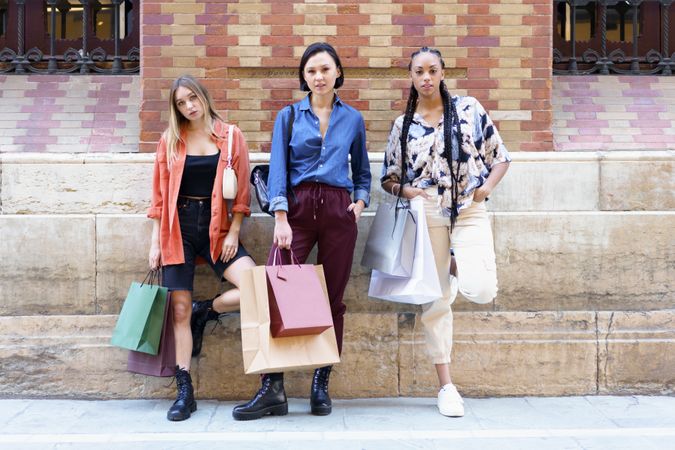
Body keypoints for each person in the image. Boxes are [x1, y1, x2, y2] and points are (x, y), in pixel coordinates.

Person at [232, 42, 371, 421]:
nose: (318, 77)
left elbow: (361, 171)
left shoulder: (353, 120)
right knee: (277, 291)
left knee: (333, 300)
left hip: (339, 212)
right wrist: (280, 217)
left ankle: (320, 383)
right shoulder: (288, 117)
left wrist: (358, 203)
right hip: (296, 211)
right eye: (311, 71)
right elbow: (278, 168)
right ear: (304, 77)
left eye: (325, 69)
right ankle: (271, 388)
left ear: (338, 72)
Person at [381, 47, 511, 417]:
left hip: (469, 210)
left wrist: (485, 190)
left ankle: (455, 269)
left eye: (432, 70)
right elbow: (388, 178)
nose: (426, 78)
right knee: (435, 303)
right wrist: (410, 191)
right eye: (418, 71)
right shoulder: (402, 126)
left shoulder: (469, 109)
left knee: (483, 289)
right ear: (410, 76)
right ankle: (447, 386)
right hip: (428, 216)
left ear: (442, 72)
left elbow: (499, 156)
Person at [147, 75, 256, 421]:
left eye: (192, 98)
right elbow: (159, 196)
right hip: (177, 228)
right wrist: (155, 242)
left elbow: (241, 194)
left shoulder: (231, 136)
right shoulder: (171, 140)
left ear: (204, 97)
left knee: (257, 287)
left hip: (216, 228)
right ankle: (184, 390)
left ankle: (206, 310)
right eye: (180, 103)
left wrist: (233, 232)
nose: (189, 106)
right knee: (177, 311)